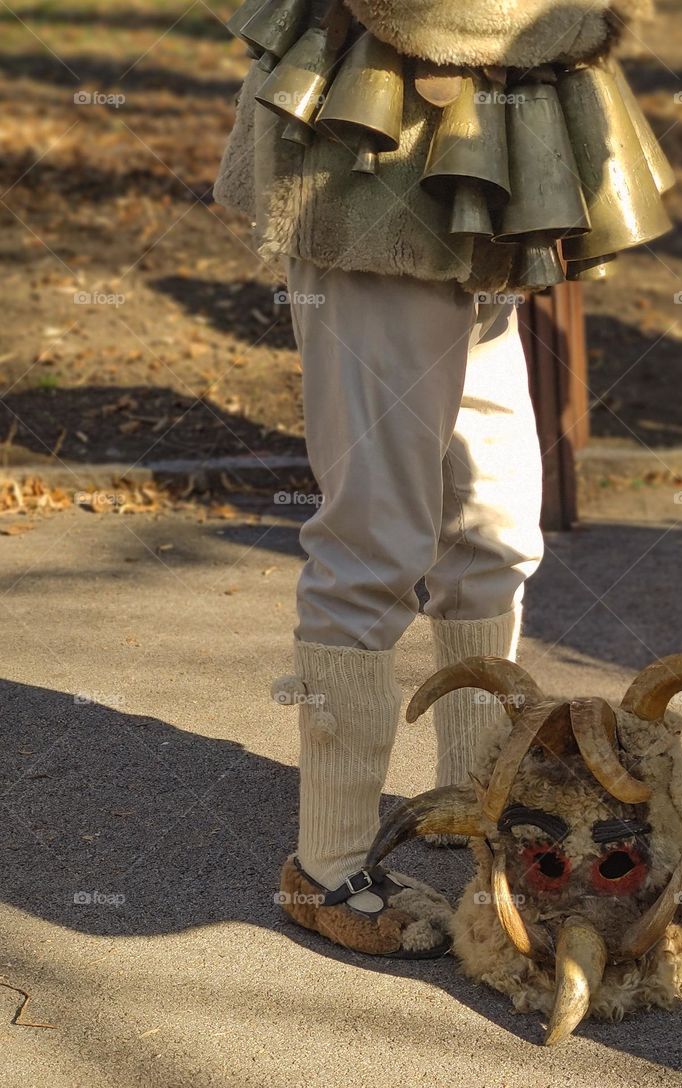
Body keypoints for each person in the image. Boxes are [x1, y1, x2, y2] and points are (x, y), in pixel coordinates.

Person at [214, 0, 655, 958]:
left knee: (496, 526)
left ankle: (475, 821)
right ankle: (325, 866)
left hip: (483, 152)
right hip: (370, 164)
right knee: (375, 536)